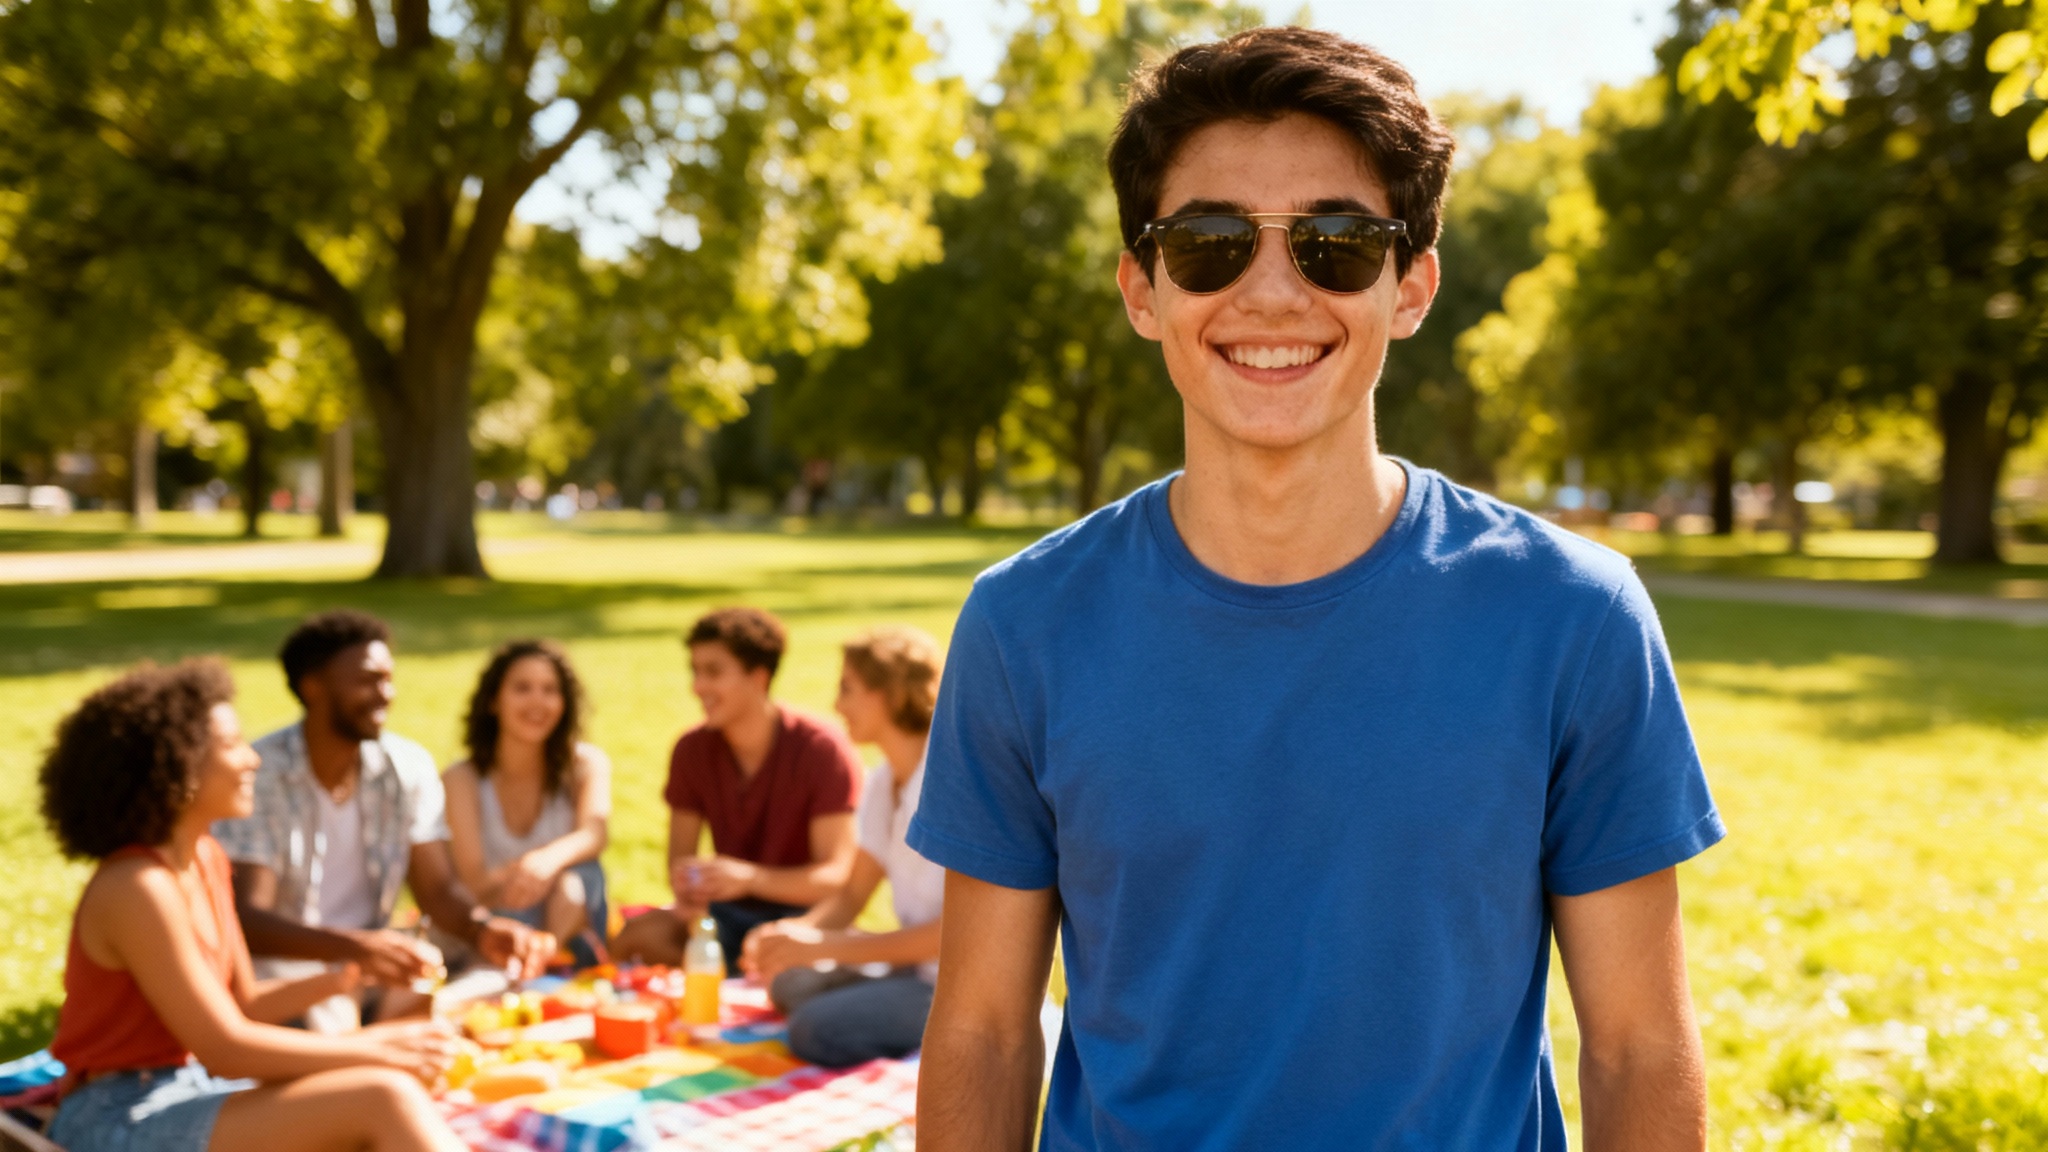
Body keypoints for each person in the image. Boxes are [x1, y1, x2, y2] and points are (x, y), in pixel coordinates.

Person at [910, 27, 1723, 1152]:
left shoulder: (1574, 616)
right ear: (1142, 290)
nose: (1274, 292)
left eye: (1335, 242)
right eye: (1209, 243)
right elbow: (987, 1034)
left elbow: (1635, 1048)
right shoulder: (1022, 624)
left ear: (1412, 287)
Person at [39, 659, 465, 1152]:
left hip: (191, 1090)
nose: (252, 759)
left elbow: (244, 1005)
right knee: (381, 1096)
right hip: (117, 1116)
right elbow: (225, 1049)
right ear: (175, 762)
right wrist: (372, 1049)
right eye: (231, 745)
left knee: (374, 1094)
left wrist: (351, 974)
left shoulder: (204, 856)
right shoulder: (136, 887)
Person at [215, 611, 555, 1033]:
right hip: (290, 971)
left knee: (497, 977)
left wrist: (483, 928)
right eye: (367, 681)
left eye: (388, 679)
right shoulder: (260, 775)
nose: (385, 694)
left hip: (373, 963)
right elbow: (249, 918)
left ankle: (381, 1035)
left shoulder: (406, 767)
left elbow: (437, 889)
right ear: (313, 687)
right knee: (337, 1018)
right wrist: (356, 950)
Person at [611, 607, 863, 969]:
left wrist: (749, 879)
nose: (698, 687)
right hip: (723, 918)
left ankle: (743, 976)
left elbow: (833, 877)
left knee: (792, 970)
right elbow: (679, 862)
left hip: (805, 920)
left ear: (758, 678)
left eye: (713, 672)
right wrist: (692, 885)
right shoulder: (692, 749)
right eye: (695, 672)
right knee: (635, 938)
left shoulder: (821, 749)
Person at [742, 626, 945, 1068]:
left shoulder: (950, 783)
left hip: (957, 986)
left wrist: (822, 945)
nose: (836, 705)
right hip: (910, 968)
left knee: (813, 1028)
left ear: (888, 695)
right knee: (789, 983)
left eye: (847, 689)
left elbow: (951, 937)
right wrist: (791, 939)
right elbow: (853, 893)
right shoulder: (882, 782)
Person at [443, 640, 612, 964]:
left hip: (571, 924)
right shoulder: (461, 779)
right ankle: (527, 960)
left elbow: (595, 832)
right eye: (522, 688)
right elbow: (475, 882)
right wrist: (520, 877)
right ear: (494, 701)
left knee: (576, 879)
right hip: (498, 920)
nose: (538, 702)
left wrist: (547, 861)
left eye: (550, 690)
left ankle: (543, 955)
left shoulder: (584, 765)